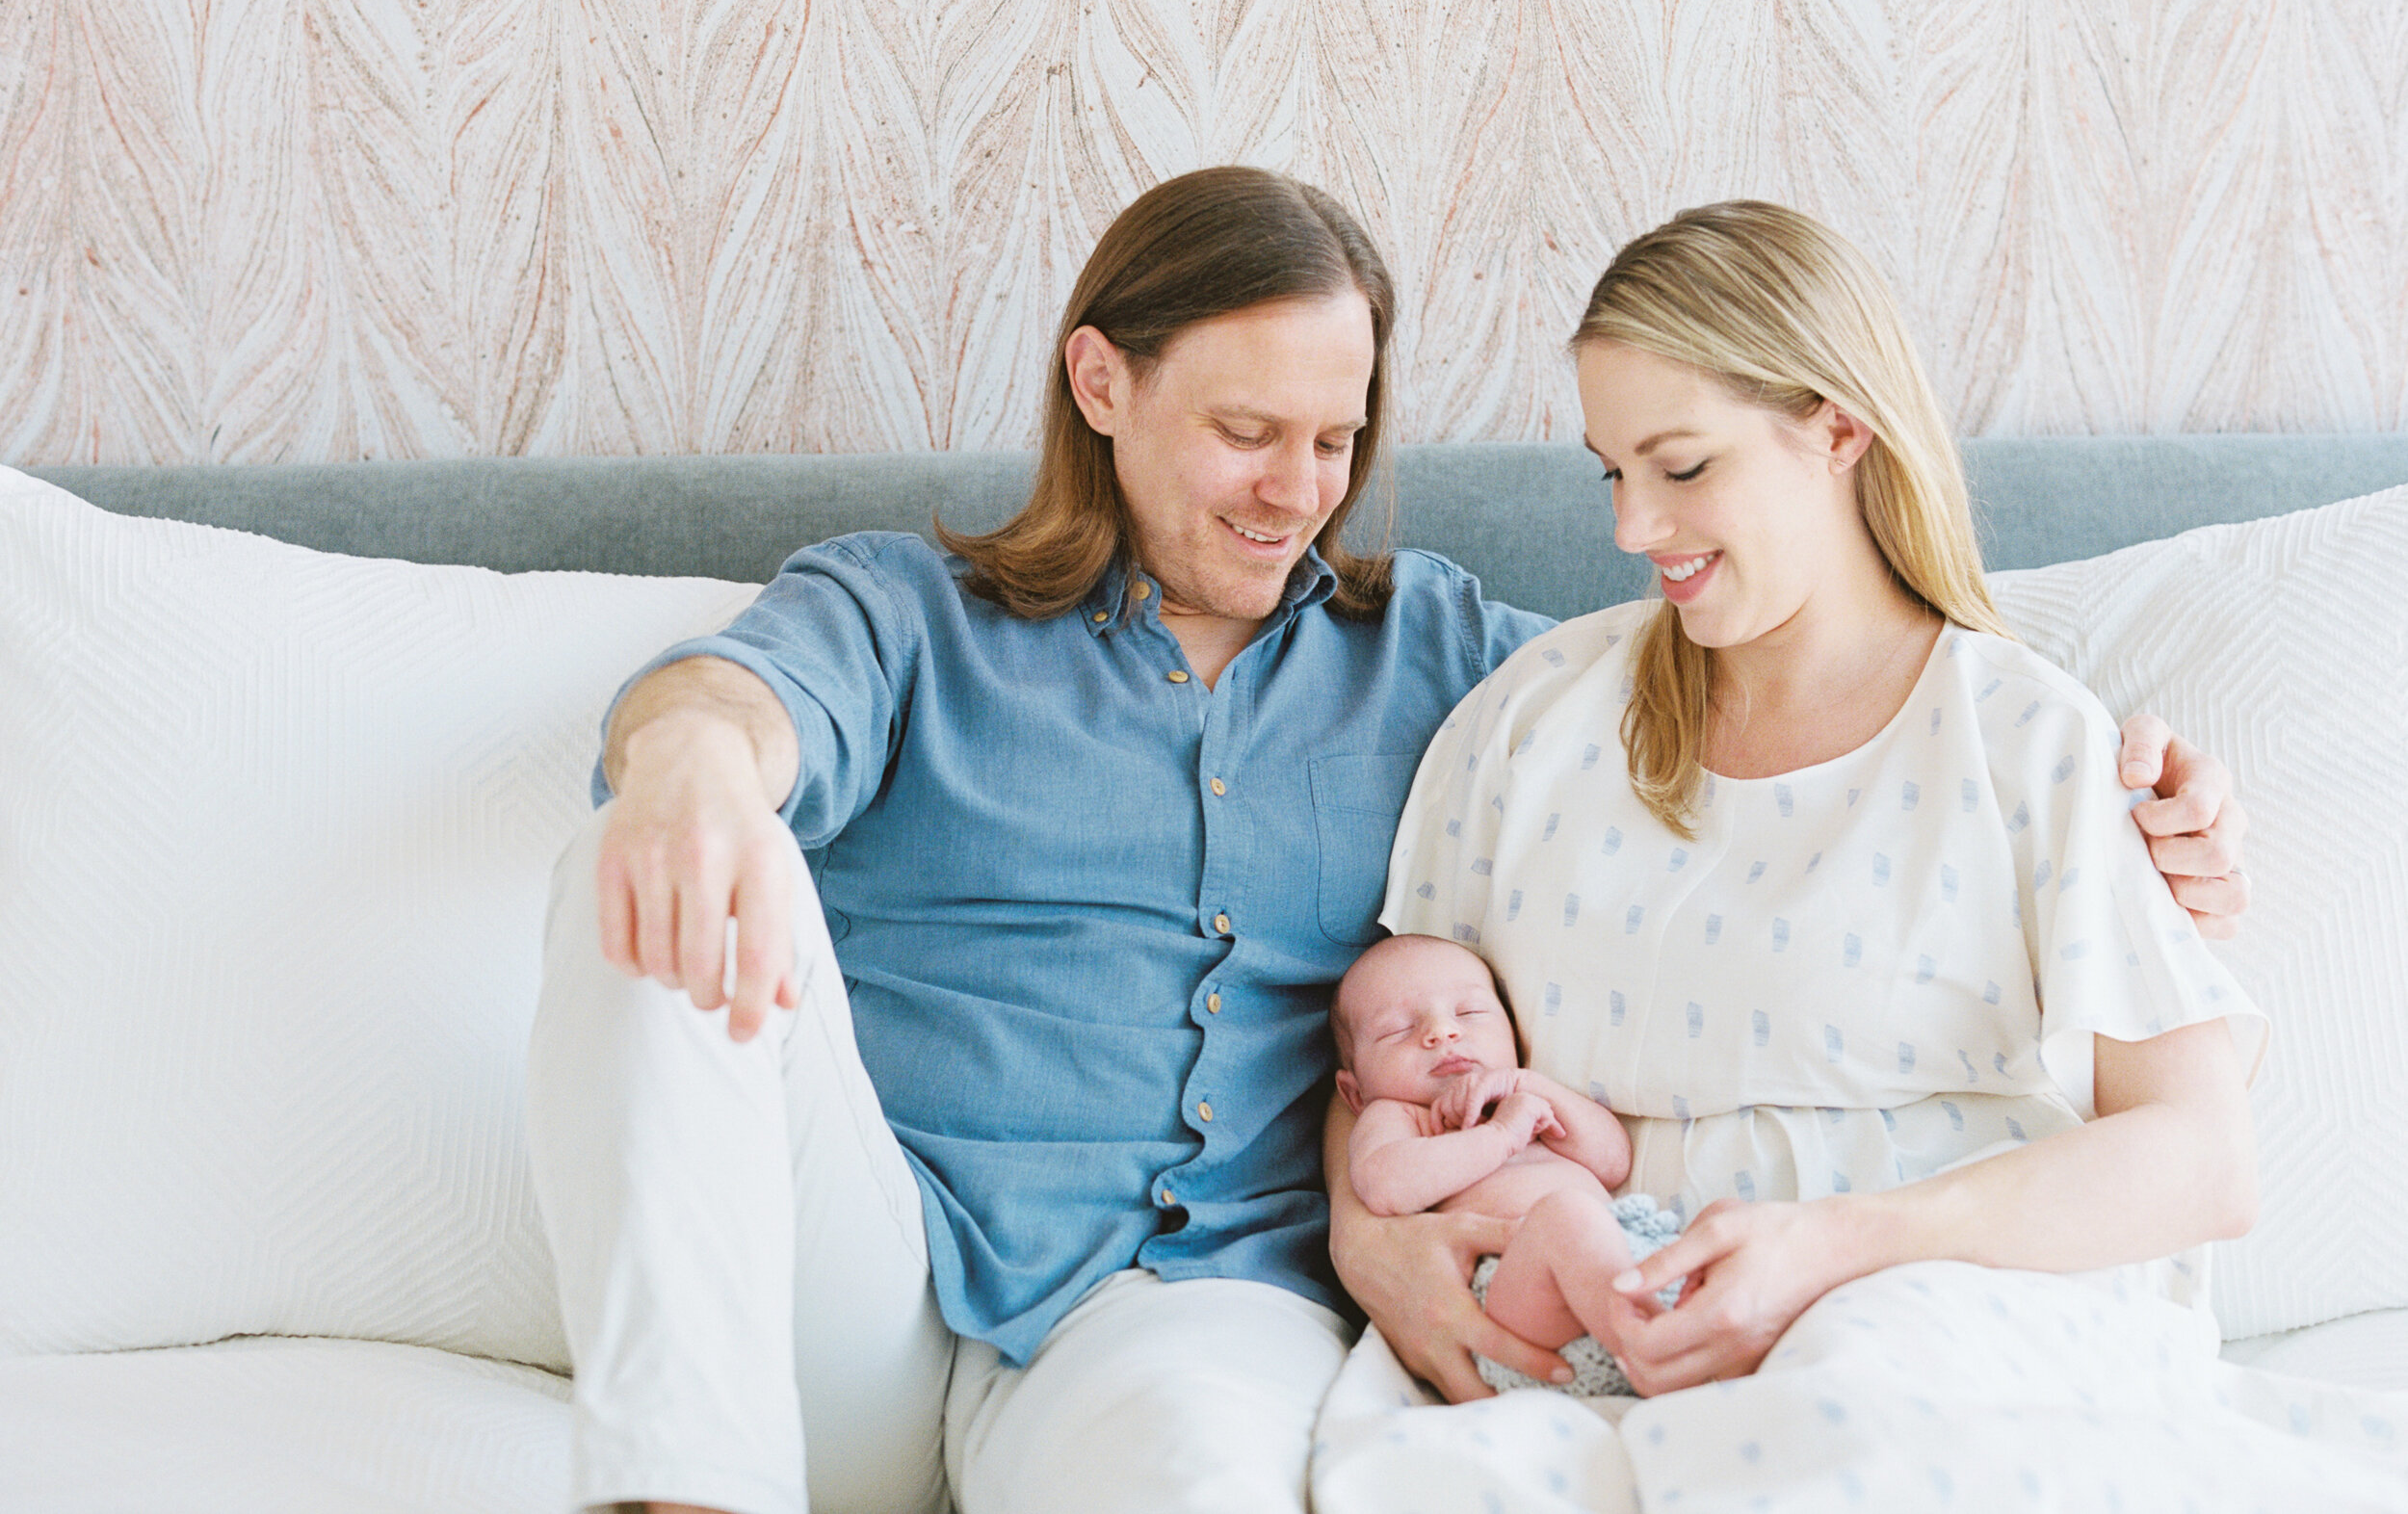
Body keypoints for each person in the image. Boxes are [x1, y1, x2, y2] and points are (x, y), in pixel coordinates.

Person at [524, 169, 2250, 1514]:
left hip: (1188, 1312)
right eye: (1247, 433)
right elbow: (723, 701)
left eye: (1338, 440)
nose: (1298, 489)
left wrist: (2142, 785)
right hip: (873, 1283)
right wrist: (689, 770)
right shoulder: (914, 610)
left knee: (1202, 1483)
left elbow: (1773, 700)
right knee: (635, 887)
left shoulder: (1453, 661)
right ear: (1102, 382)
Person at [1337, 200, 2267, 1429]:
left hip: (1944, 1314)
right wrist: (1367, 1243)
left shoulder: (2024, 741)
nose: (1629, 528)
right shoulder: (1533, 717)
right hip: (1602, 1327)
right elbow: (1371, 1047)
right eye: (1612, 473)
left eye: (1681, 467)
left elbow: (2202, 1154)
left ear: (1836, 426)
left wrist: (1830, 1250)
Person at [1331, 932, 1682, 1398]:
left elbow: (1613, 1162)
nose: (1442, 1032)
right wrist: (1499, 1136)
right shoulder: (1397, 1117)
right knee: (1566, 1219)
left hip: (1626, 1259)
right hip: (1509, 1301)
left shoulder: (1523, 1098)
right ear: (1354, 1093)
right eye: (1397, 1030)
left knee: (1726, 1218)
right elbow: (1384, 1186)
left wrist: (1528, 1086)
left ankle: (1692, 1334)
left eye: (1470, 1013)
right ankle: (1662, 1353)